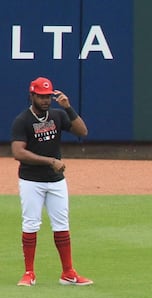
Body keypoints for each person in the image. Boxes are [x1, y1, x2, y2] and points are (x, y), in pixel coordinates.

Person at [10, 77, 92, 286]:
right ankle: (29, 273)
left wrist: (69, 108)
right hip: (31, 181)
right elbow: (18, 152)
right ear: (32, 95)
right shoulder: (23, 120)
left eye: (48, 96)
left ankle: (68, 272)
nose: (46, 100)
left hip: (56, 180)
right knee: (31, 224)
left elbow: (82, 132)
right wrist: (50, 161)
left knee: (61, 225)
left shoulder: (57, 115)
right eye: (41, 96)